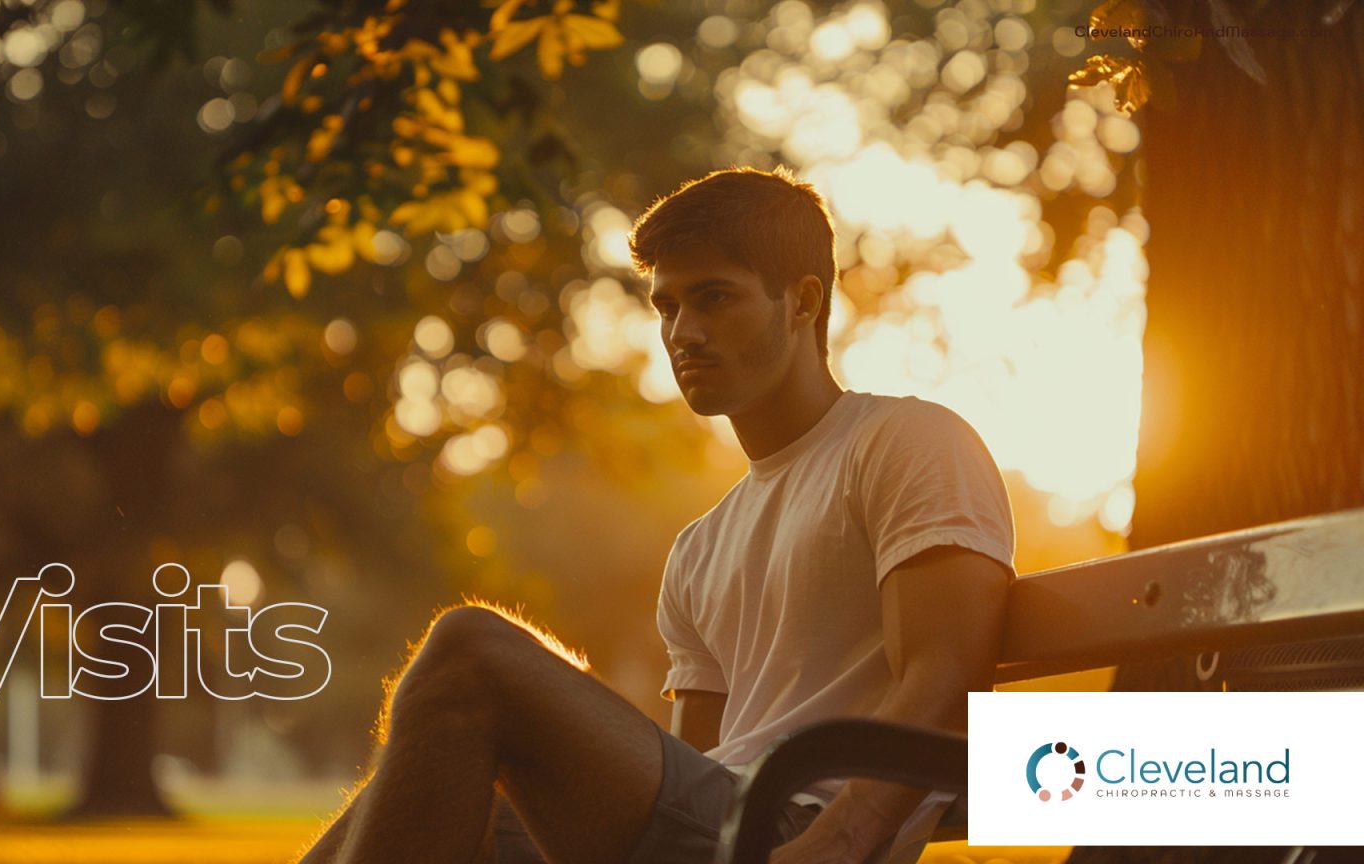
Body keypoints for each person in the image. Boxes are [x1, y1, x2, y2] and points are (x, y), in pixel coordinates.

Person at [297, 165, 1015, 864]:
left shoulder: (905, 442)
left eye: (714, 298)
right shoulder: (702, 545)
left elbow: (948, 672)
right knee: (433, 769)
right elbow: (690, 773)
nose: (683, 333)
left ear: (802, 301)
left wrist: (836, 844)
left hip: (794, 828)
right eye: (667, 306)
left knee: (470, 652)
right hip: (724, 823)